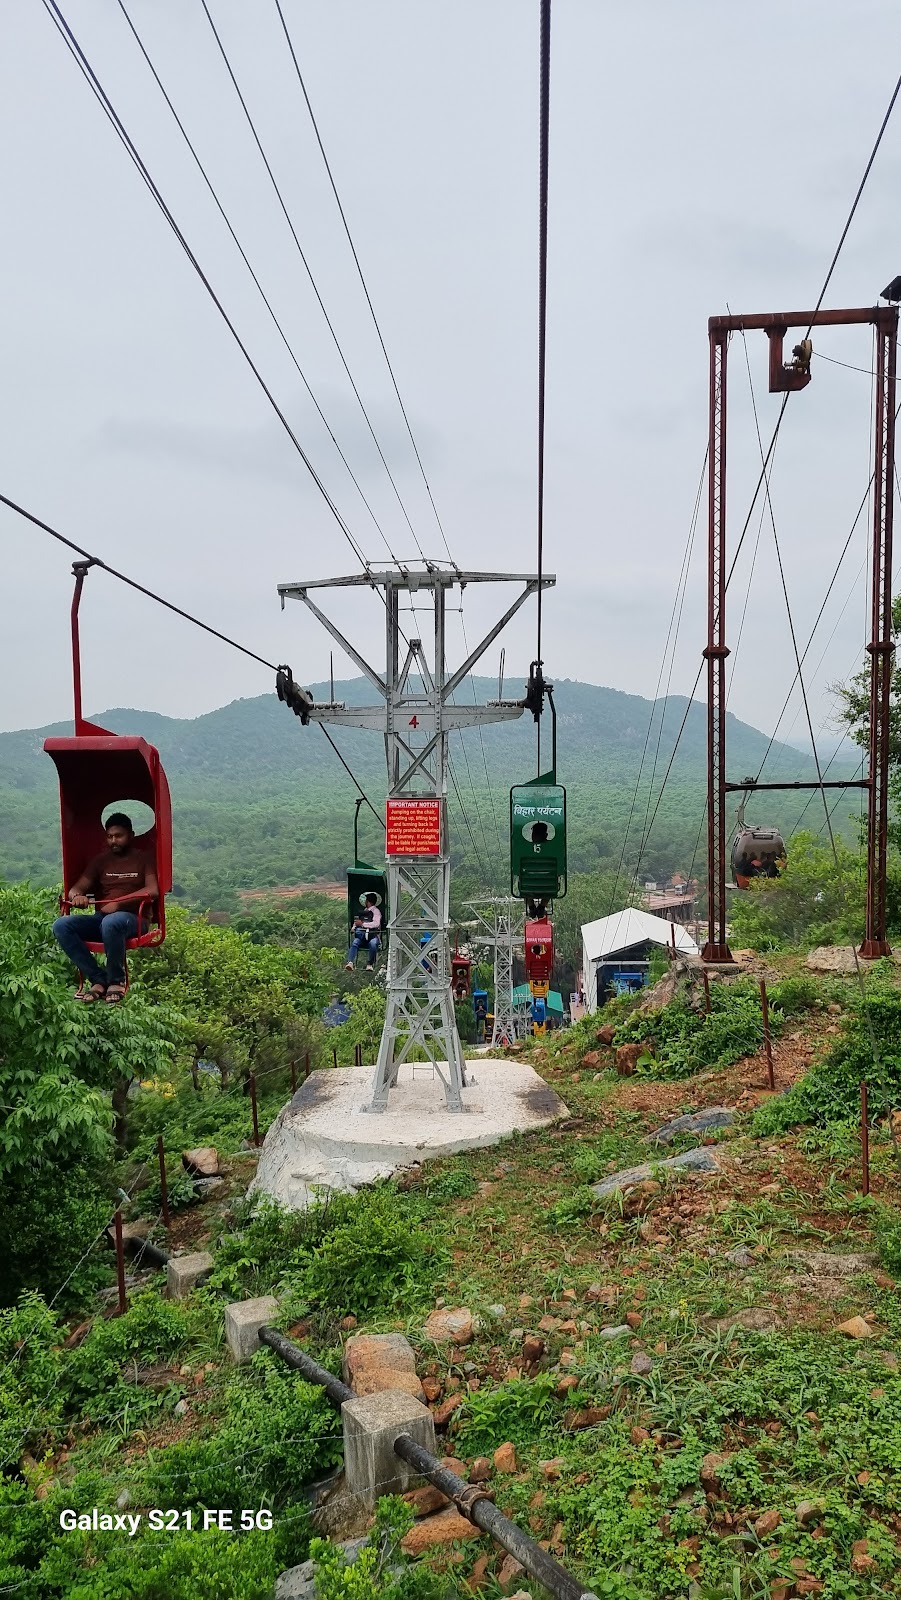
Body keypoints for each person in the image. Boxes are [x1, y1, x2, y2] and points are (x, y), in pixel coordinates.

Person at [53, 813, 158, 1003]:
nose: (113, 841)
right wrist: (77, 897)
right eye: (109, 836)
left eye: (119, 836)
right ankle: (98, 979)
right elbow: (75, 889)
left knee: (112, 921)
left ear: (131, 835)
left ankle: (116, 981)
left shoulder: (144, 859)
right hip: (103, 920)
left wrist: (119, 903)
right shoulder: (100, 861)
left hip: (134, 919)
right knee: (61, 926)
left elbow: (153, 890)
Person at [345, 892, 382, 971]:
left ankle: (370, 964)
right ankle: (350, 962)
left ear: (368, 901)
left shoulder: (376, 912)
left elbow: (376, 924)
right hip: (362, 936)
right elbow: (357, 922)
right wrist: (354, 927)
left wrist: (363, 924)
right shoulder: (364, 911)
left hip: (372, 936)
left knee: (373, 944)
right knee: (355, 942)